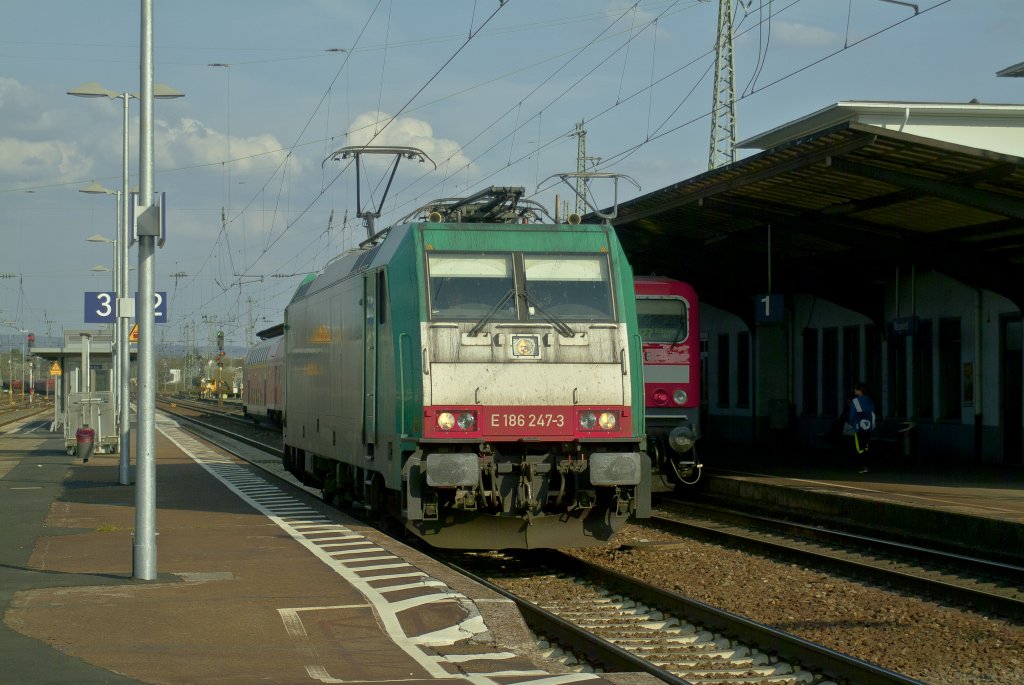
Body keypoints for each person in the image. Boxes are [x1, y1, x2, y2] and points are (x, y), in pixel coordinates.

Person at [848, 382, 876, 473]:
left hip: (858, 426)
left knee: (859, 447)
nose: (854, 390)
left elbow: (852, 416)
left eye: (856, 389)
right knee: (866, 446)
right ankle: (868, 465)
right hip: (868, 427)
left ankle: (863, 466)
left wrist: (853, 423)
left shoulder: (855, 401)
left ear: (860, 390)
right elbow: (873, 414)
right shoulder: (870, 400)